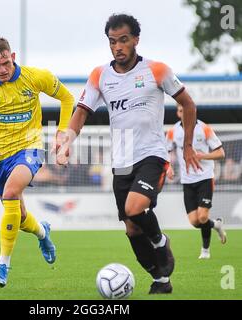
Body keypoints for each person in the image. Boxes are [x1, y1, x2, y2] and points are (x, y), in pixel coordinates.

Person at [57, 14, 201, 294]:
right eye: (112, 42)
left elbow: (188, 103)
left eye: (123, 40)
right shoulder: (100, 75)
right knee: (132, 229)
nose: (118, 47)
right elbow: (81, 112)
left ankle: (161, 243)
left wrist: (187, 145)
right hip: (121, 161)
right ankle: (161, 280)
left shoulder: (157, 70)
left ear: (136, 40)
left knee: (134, 209)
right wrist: (67, 141)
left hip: (152, 155)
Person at [0, 37, 74, 287]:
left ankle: (3, 264)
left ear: (13, 56)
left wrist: (62, 132)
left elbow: (68, 98)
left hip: (30, 148)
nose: (3, 70)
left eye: (6, 62)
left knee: (11, 191)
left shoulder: (36, 77)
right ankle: (42, 232)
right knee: (19, 213)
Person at [166, 104, 227, 259]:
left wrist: (202, 156)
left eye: (186, 110)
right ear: (178, 113)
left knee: (202, 217)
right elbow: (165, 150)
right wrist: (168, 168)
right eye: (180, 111)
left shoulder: (204, 129)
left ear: (193, 112)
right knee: (194, 221)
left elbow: (221, 153)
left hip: (205, 177)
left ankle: (205, 251)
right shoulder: (174, 131)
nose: (183, 113)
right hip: (187, 181)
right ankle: (216, 225)